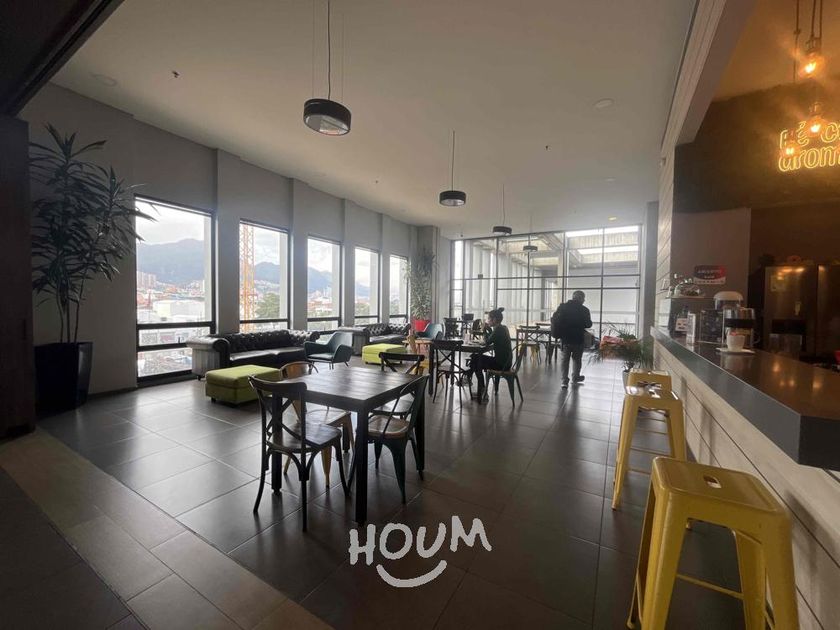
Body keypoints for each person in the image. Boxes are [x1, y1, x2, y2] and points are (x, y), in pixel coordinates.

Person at [469, 307, 512, 402]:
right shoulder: (502, 328)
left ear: (494, 320)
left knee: (475, 359)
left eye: (489, 319)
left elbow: (487, 341)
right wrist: (489, 330)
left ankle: (481, 388)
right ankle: (471, 381)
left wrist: (484, 330)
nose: (487, 320)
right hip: (506, 362)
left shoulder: (498, 330)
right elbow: (492, 337)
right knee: (475, 358)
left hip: (501, 364)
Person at [551, 291, 592, 388]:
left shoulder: (563, 307)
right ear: (581, 299)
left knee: (565, 360)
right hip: (578, 338)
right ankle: (575, 377)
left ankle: (564, 381)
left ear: (573, 297)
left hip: (565, 338)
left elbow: (554, 319)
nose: (584, 300)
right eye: (583, 298)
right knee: (577, 359)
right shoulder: (584, 310)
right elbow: (588, 324)